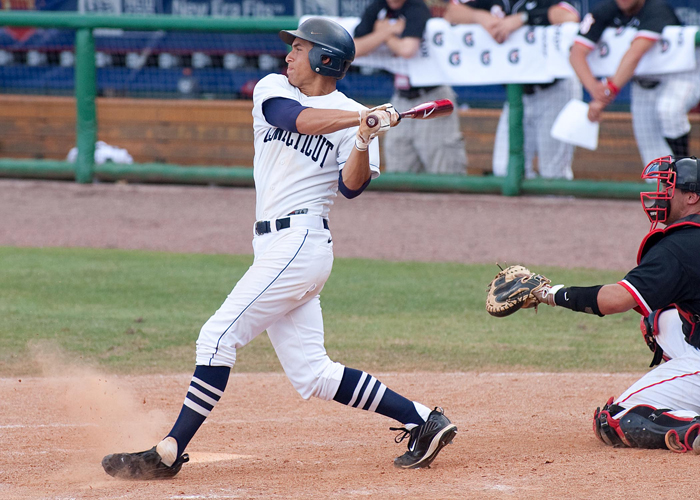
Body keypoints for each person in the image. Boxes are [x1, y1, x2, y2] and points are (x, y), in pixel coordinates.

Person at [100, 18, 457, 480]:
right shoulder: (273, 89)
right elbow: (296, 120)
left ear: (325, 60)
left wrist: (365, 138)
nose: (288, 54)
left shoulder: (352, 116)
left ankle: (169, 452)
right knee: (313, 374)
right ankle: (424, 420)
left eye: (300, 47)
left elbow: (352, 186)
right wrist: (362, 117)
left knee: (216, 336)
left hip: (301, 241)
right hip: (276, 246)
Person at [532, 155, 700, 453]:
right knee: (657, 318)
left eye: (668, 186)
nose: (660, 192)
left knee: (617, 419)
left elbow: (615, 300)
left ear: (691, 196)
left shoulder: (679, 246)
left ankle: (691, 429)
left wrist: (549, 293)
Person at [444, 0, 582, 179]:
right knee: (504, 169)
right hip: (518, 96)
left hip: (555, 90)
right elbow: (451, 12)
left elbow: (569, 16)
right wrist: (479, 16)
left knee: (553, 172)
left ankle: (553, 207)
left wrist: (522, 18)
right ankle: (528, 208)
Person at [569, 0, 700, 166]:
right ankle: (663, 186)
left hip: (679, 75)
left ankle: (684, 171)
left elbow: (635, 54)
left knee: (668, 110)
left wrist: (606, 94)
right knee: (650, 149)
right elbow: (576, 53)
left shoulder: (656, 9)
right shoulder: (607, 10)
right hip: (642, 82)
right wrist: (594, 88)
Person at [353, 0, 468, 175]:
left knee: (444, 169)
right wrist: (388, 31)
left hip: (432, 95)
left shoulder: (416, 7)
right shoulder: (378, 8)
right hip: (400, 98)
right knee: (399, 165)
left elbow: (408, 49)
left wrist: (384, 34)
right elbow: (355, 48)